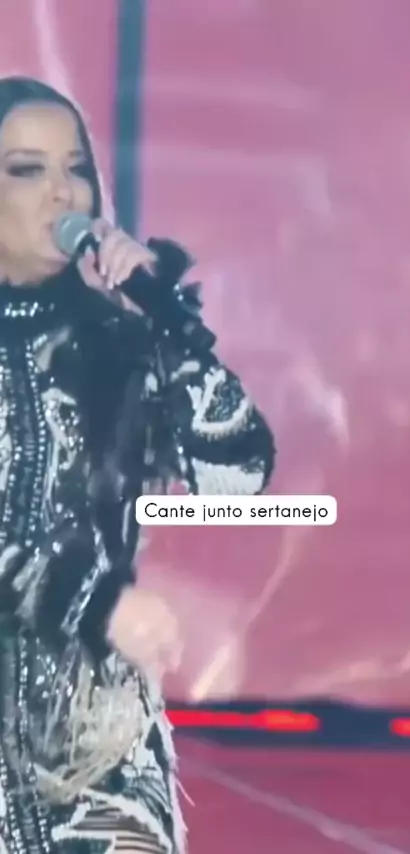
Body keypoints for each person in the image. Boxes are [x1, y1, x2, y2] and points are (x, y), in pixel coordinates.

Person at [0, 76, 275, 854]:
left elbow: (240, 471)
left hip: (97, 749)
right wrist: (94, 603)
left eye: (75, 169)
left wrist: (163, 326)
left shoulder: (117, 340)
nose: (61, 192)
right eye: (26, 169)